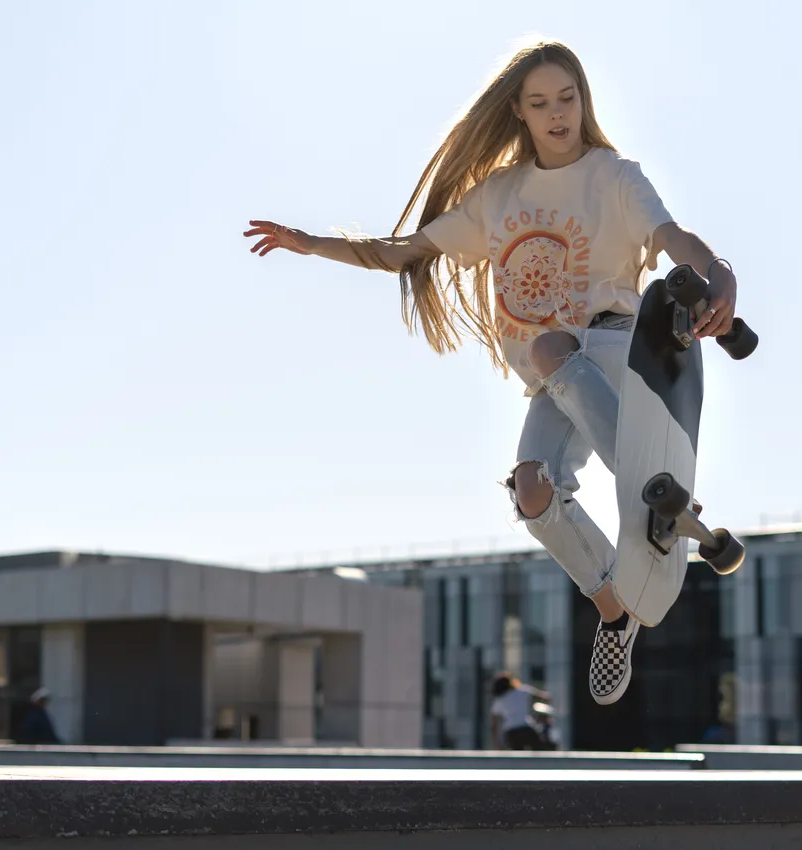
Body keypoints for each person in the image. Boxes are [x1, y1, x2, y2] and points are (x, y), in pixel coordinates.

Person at [243, 39, 740, 706]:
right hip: (556, 375)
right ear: (519, 112)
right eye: (541, 103)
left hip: (617, 348)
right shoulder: (498, 196)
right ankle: (615, 610)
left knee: (550, 346)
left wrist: (719, 273)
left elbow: (674, 238)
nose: (557, 113)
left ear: (583, 100)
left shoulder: (615, 176)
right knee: (532, 489)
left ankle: (646, 486)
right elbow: (402, 252)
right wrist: (311, 244)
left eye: (567, 98)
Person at [488, 672, 549, 750]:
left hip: (510, 733)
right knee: (540, 752)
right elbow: (543, 697)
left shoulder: (499, 700)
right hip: (526, 728)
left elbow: (494, 726)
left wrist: (496, 745)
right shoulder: (523, 690)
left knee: (517, 755)